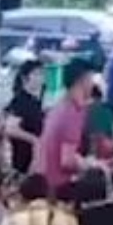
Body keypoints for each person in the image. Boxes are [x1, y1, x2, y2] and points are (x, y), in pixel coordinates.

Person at [34, 58, 94, 189]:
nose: (93, 84)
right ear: (82, 81)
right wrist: (90, 165)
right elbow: (67, 161)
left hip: (45, 182)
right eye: (91, 79)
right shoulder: (72, 113)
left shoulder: (59, 107)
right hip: (60, 187)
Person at [5, 59, 46, 175]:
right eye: (36, 74)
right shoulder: (20, 101)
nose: (40, 78)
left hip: (35, 158)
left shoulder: (35, 102)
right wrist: (33, 139)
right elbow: (10, 128)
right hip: (23, 159)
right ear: (25, 78)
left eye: (42, 74)